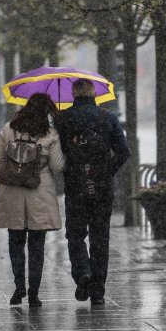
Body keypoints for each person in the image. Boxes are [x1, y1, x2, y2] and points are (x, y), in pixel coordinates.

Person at [56, 78, 130, 306]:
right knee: (100, 237)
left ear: (73, 94)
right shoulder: (107, 117)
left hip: (76, 186)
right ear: (94, 93)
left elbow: (56, 155)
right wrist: (107, 170)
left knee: (75, 235)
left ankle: (82, 272)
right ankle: (97, 291)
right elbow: (123, 152)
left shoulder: (62, 119)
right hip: (102, 187)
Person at [0, 93, 66, 308]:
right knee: (36, 244)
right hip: (39, 193)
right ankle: (34, 294)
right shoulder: (50, 134)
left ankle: (18, 286)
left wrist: (2, 186)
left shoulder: (8, 129)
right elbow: (58, 166)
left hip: (12, 190)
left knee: (15, 241)